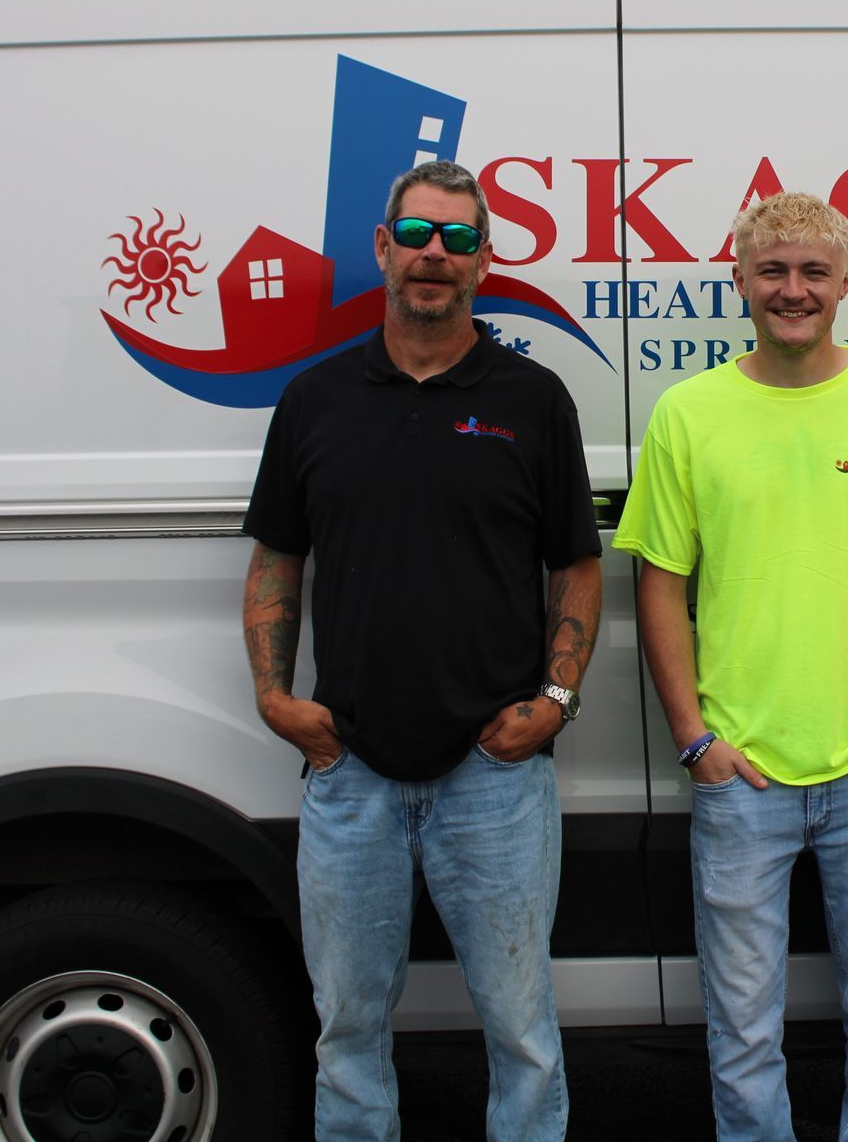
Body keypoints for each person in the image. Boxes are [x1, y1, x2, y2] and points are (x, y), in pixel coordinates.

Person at [240, 158, 601, 1142]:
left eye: (461, 237)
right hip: (347, 765)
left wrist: (555, 702)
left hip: (496, 769)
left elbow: (576, 565)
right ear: (383, 248)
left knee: (521, 1030)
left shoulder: (532, 398)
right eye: (420, 233)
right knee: (347, 1027)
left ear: (485, 261)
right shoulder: (316, 399)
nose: (437, 254)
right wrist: (276, 698)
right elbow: (278, 555)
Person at [614, 191, 848, 1141]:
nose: (793, 289)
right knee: (740, 1028)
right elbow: (659, 585)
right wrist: (696, 739)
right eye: (772, 271)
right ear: (738, 282)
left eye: (815, 271)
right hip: (744, 776)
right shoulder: (690, 414)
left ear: (847, 282)